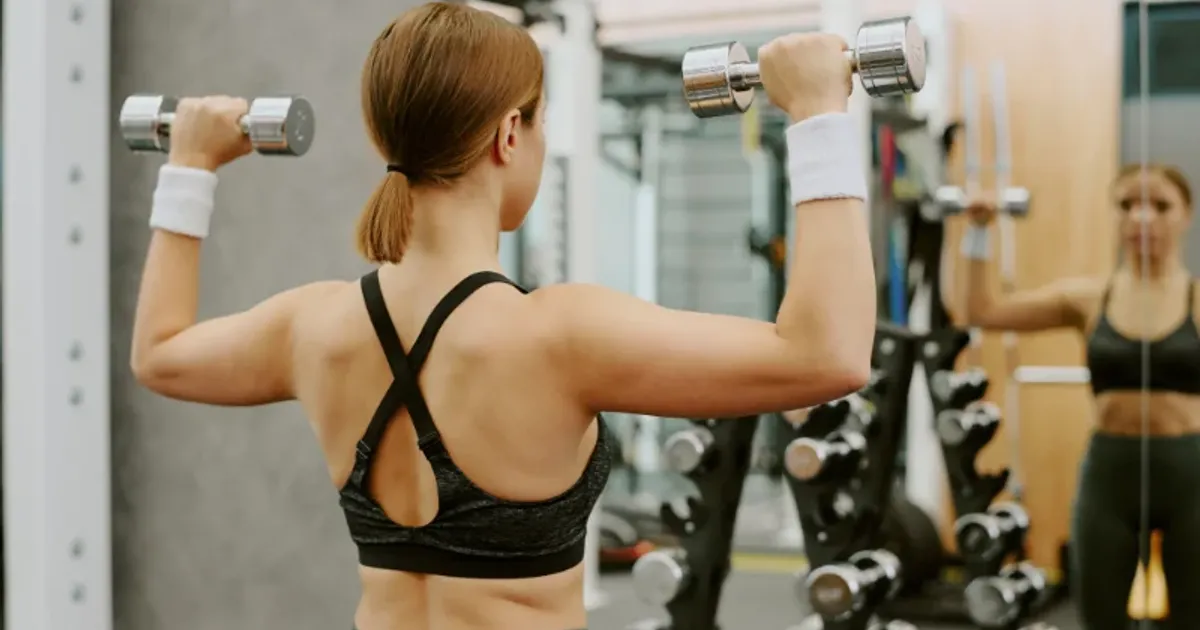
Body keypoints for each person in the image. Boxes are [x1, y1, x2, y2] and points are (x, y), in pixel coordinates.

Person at [128, 3, 877, 629]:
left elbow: (159, 352)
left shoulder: (311, 328)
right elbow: (828, 356)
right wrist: (818, 116)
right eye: (542, 124)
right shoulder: (557, 335)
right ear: (509, 134)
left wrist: (190, 166)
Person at [946, 163, 1200, 630]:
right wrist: (978, 231)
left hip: (1190, 474)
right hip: (1110, 472)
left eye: (1160, 205)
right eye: (1128, 204)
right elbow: (980, 311)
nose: (1143, 218)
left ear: (1186, 216)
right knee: (1099, 614)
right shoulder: (1087, 298)